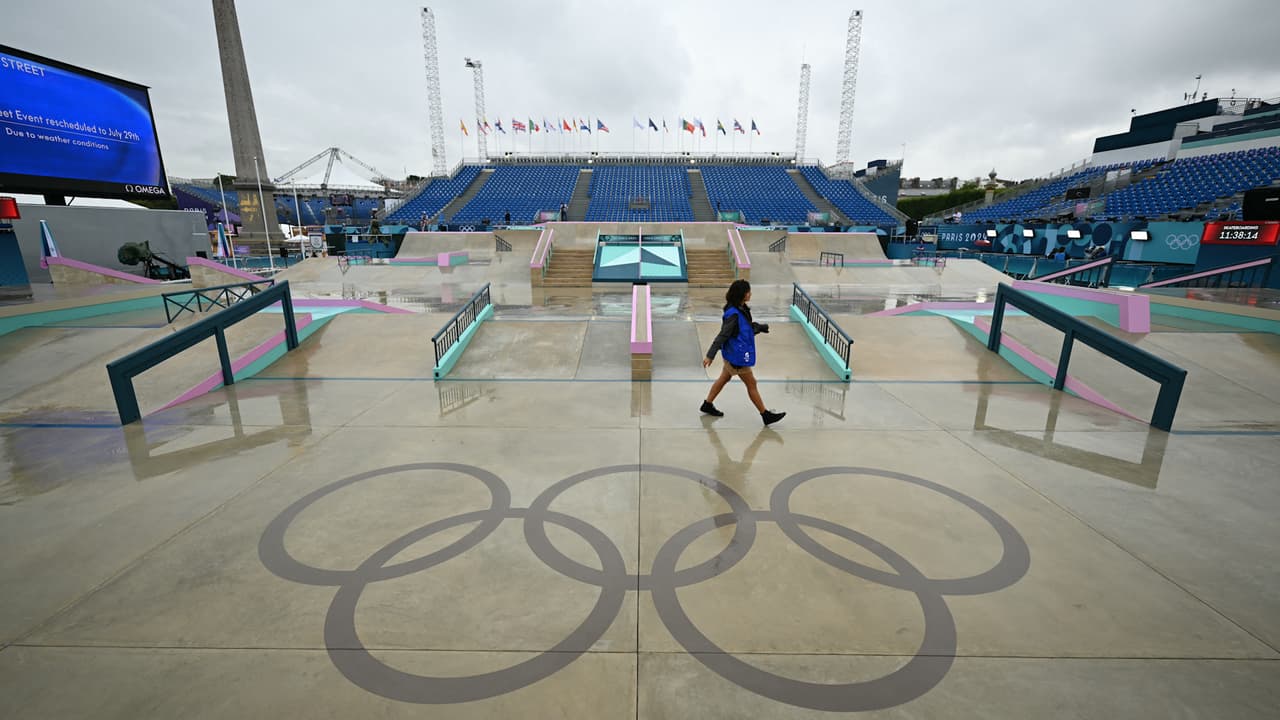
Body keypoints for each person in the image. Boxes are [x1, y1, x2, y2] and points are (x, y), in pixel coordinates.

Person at [701, 279, 786, 426]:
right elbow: (723, 335)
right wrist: (710, 355)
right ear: (743, 294)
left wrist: (759, 327)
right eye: (748, 291)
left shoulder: (741, 308)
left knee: (724, 378)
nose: (750, 294)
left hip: (733, 354)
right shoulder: (733, 313)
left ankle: (707, 404)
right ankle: (765, 415)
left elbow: (743, 329)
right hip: (736, 357)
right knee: (751, 383)